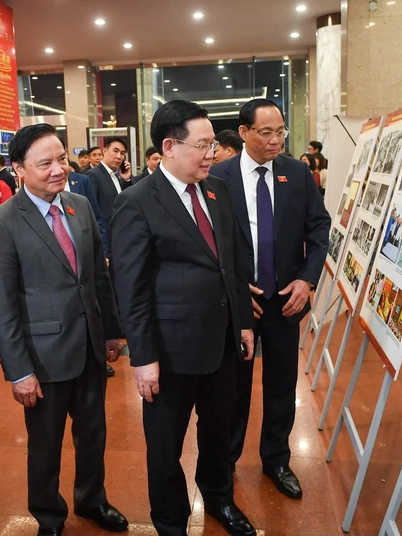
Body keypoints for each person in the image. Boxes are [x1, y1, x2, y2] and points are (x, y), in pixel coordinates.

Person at [110, 100, 257, 536]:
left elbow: (232, 263)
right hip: (170, 351)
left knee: (218, 431)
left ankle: (218, 498)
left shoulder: (217, 190)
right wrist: (144, 356)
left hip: (222, 340)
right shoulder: (137, 201)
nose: (212, 154)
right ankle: (171, 520)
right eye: (204, 145)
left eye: (213, 144)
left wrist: (244, 322)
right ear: (170, 146)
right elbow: (130, 287)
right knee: (165, 445)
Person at [0, 123, 128, 535]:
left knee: (93, 435)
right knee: (45, 446)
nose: (58, 169)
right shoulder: (1, 223)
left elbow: (98, 277)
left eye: (61, 159)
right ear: (18, 169)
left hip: (91, 349)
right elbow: (2, 306)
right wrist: (19, 371)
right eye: (44, 163)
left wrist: (112, 331)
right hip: (43, 358)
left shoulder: (77, 206)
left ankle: (92, 499)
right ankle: (48, 514)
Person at [210, 98, 331, 500]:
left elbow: (318, 229)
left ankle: (277, 459)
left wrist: (307, 281)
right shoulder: (217, 177)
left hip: (285, 301)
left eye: (281, 131)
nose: (276, 140)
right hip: (240, 304)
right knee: (234, 388)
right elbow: (208, 240)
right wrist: (232, 285)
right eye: (266, 132)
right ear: (244, 133)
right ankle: (225, 463)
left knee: (281, 384)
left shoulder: (296, 174)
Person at [86, 136, 133, 262]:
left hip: (121, 239)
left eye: (122, 153)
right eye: (115, 151)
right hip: (107, 242)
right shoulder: (93, 175)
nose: (119, 156)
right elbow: (92, 214)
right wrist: (102, 250)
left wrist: (127, 179)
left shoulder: (117, 176)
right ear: (104, 151)